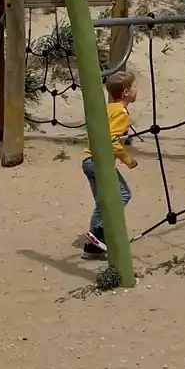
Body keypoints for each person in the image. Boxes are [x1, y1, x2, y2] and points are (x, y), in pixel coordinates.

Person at [82, 69, 140, 257]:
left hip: (88, 160)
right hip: (98, 161)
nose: (136, 90)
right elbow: (111, 140)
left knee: (101, 203)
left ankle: (93, 248)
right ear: (125, 92)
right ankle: (98, 232)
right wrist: (127, 159)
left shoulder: (108, 108)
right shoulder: (121, 113)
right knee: (123, 194)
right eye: (134, 87)